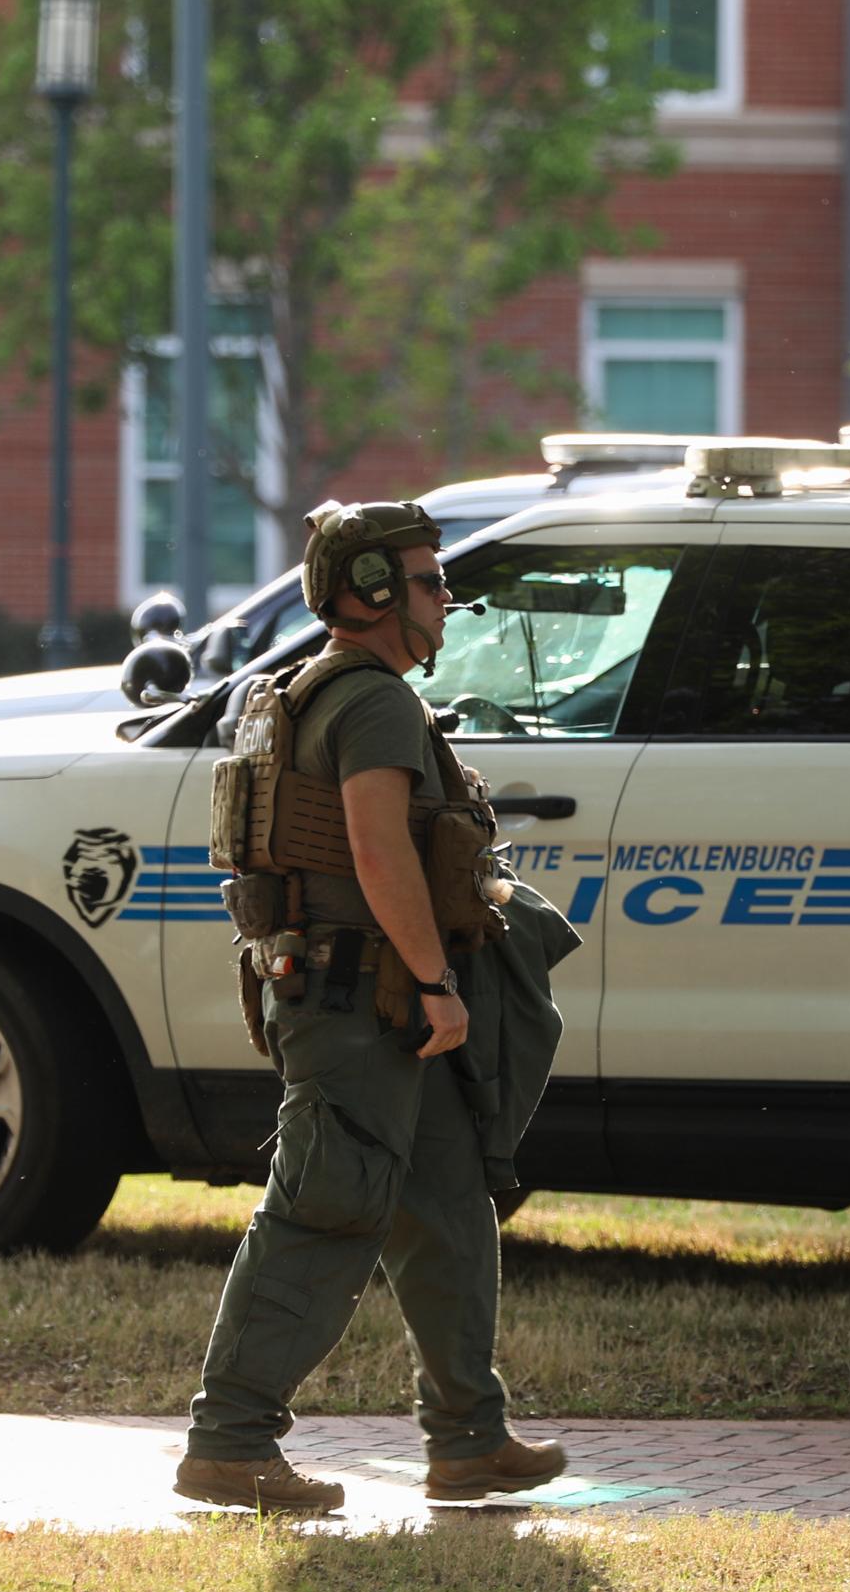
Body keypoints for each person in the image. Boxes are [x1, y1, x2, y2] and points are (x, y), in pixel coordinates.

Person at [173, 499, 568, 1514]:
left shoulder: (316, 689)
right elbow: (379, 848)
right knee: (324, 1204)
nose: (447, 600)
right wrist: (437, 983)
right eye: (432, 581)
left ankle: (470, 1440)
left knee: (445, 1205)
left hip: (350, 990)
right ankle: (230, 1440)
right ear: (374, 592)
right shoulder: (377, 701)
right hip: (363, 1002)